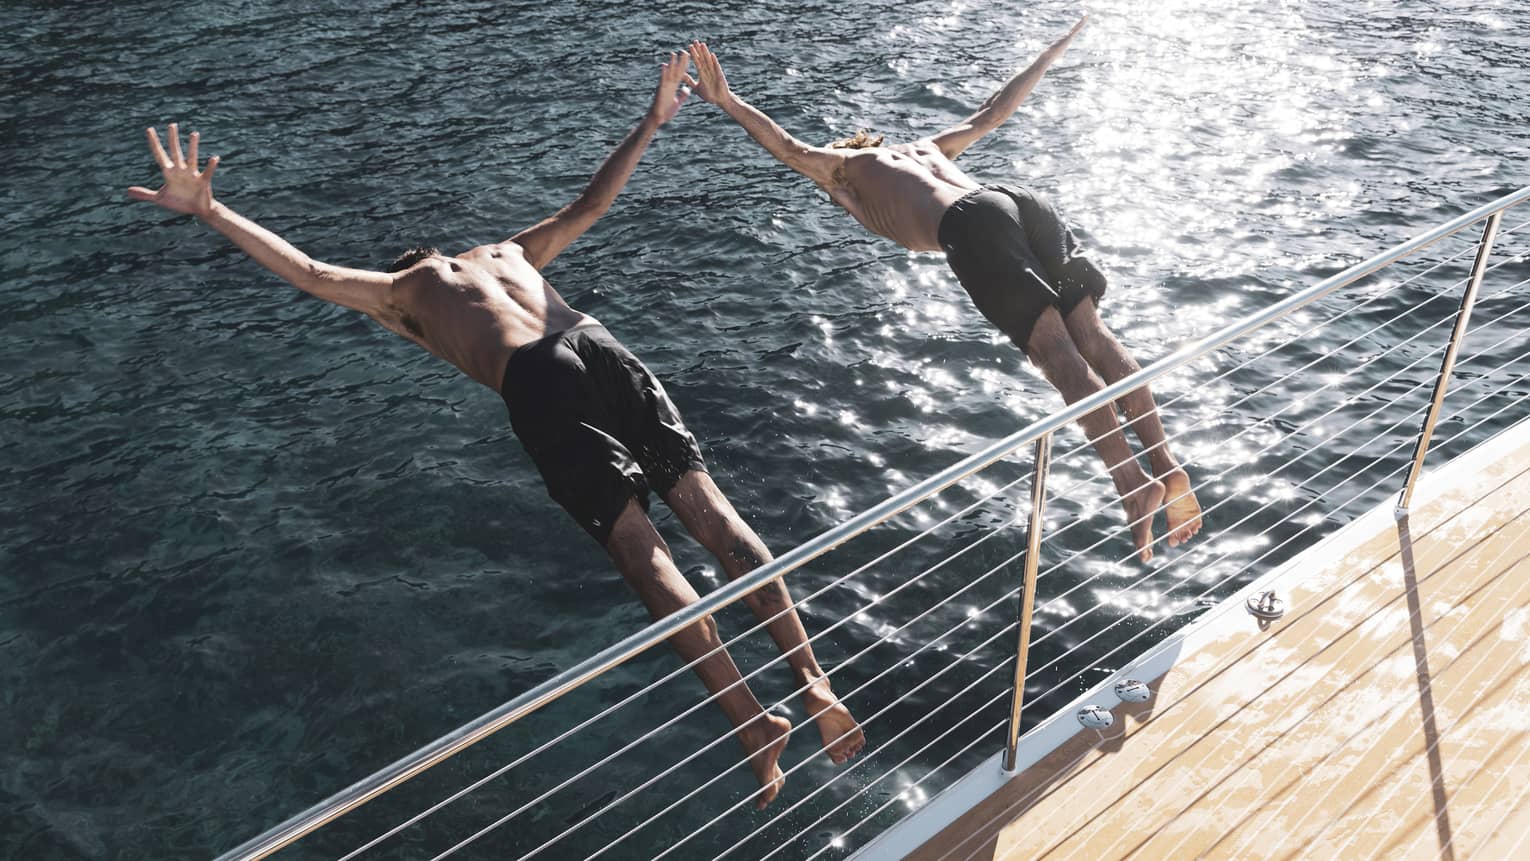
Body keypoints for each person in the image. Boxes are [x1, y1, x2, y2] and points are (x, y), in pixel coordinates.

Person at [127, 52, 863, 809]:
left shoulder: (404, 294)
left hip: (541, 381)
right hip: (600, 343)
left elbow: (311, 270)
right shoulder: (507, 253)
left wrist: (213, 212)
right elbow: (589, 205)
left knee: (650, 563)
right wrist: (650, 121)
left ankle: (751, 720)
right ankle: (813, 680)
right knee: (718, 521)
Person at [685, 18, 1202, 562]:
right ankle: (1165, 464)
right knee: (1093, 335)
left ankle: (1131, 484)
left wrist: (728, 101)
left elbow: (787, 147)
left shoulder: (844, 170)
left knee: (1060, 357)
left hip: (972, 224)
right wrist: (1048, 55)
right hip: (1016, 198)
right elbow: (994, 112)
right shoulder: (925, 149)